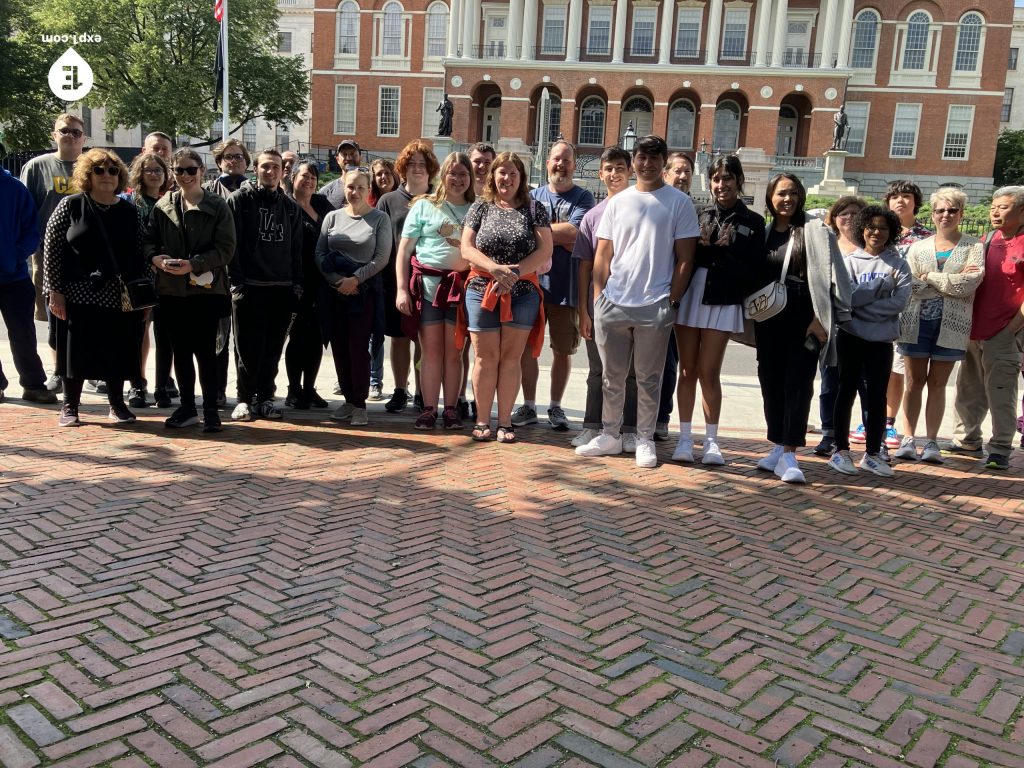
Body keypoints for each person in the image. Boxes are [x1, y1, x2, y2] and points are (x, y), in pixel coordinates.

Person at [575, 135, 698, 468]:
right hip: (613, 302)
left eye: (654, 157)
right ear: (635, 161)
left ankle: (644, 438)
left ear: (662, 162)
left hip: (654, 303)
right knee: (611, 376)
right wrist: (599, 299)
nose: (647, 163)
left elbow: (685, 259)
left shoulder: (678, 203)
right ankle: (610, 435)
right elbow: (603, 254)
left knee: (648, 378)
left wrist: (670, 301)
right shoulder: (618, 202)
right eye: (642, 157)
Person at [754, 174, 852, 484]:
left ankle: (790, 452)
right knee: (770, 381)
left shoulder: (816, 231)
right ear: (770, 197)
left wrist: (822, 319)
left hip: (805, 316)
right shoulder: (766, 232)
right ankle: (778, 445)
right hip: (770, 318)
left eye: (793, 193)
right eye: (781, 193)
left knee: (798, 383)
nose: (787, 199)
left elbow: (836, 276)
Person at [43, 149, 149, 427]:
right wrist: (55, 291)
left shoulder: (130, 211)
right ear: (87, 175)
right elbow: (52, 250)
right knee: (74, 352)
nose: (106, 176)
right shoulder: (70, 205)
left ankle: (117, 404)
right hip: (77, 293)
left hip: (117, 294)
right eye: (99, 170)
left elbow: (139, 254)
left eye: (113, 171)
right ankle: (70, 406)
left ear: (120, 176)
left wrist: (143, 295)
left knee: (116, 349)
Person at [673, 154, 765, 466]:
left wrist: (727, 252)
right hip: (691, 296)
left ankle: (711, 441)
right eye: (716, 178)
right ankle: (684, 438)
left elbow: (755, 273)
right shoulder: (698, 212)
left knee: (709, 372)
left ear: (739, 181)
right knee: (687, 370)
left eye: (727, 178)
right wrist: (702, 246)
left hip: (724, 299)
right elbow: (682, 256)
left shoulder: (753, 222)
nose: (721, 184)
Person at [460, 152, 552, 443]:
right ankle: (483, 419)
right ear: (493, 175)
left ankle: (505, 422)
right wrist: (494, 269)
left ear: (521, 178)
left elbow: (545, 250)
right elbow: (466, 247)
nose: (507, 179)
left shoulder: (534, 208)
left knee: (511, 359)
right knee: (485, 358)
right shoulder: (480, 206)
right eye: (502, 172)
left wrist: (512, 275)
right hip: (481, 290)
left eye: (513, 174)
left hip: (522, 293)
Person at [144, 148, 236, 432]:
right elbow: (149, 241)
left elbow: (226, 249)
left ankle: (210, 410)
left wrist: (193, 264)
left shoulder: (218, 206)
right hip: (172, 292)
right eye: (179, 170)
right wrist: (155, 258)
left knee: (207, 354)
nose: (184, 175)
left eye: (190, 170)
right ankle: (186, 407)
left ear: (201, 171)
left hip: (207, 292)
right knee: (180, 353)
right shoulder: (164, 206)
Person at [894, 188, 984, 464]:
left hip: (953, 325)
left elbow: (970, 283)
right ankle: (908, 438)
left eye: (952, 210)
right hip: (915, 322)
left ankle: (931, 441)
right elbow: (911, 284)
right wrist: (948, 282)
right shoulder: (917, 247)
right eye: (940, 210)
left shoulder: (973, 247)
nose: (946, 215)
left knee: (937, 383)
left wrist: (931, 277)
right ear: (932, 214)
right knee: (913, 383)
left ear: (961, 214)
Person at [512, 141, 595, 431]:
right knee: (526, 349)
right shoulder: (531, 196)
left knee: (563, 350)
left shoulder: (584, 198)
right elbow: (520, 232)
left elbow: (577, 232)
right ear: (547, 162)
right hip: (531, 286)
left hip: (567, 287)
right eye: (556, 159)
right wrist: (555, 235)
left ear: (574, 164)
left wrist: (539, 233)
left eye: (567, 160)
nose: (561, 165)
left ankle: (556, 407)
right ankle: (529, 405)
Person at [828, 205, 912, 478]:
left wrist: (863, 307)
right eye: (871, 227)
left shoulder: (899, 265)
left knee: (877, 396)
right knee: (845, 391)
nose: (876, 232)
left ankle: (873, 454)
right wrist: (878, 289)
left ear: (892, 232)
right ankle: (840, 450)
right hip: (850, 337)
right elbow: (845, 300)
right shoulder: (849, 262)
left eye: (883, 228)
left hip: (881, 341)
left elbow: (899, 303)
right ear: (862, 229)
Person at [396, 152, 474, 430]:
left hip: (461, 290)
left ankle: (451, 408)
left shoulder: (477, 208)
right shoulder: (423, 206)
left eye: (463, 174)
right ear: (443, 175)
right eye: (452, 173)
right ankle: (429, 408)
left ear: (470, 178)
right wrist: (402, 289)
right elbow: (404, 251)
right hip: (427, 289)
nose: (457, 179)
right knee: (430, 352)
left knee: (455, 353)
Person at [226, 148, 303, 421]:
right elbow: (230, 245)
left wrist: (296, 285)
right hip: (249, 286)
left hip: (281, 287)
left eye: (276, 167)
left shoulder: (291, 208)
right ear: (255, 169)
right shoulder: (239, 201)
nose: (270, 172)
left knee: (272, 349)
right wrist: (236, 283)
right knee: (246, 348)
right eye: (265, 167)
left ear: (283, 172)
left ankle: (267, 397)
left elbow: (297, 250)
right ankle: (244, 399)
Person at [951, 186, 1024, 470]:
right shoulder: (987, 239)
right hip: (971, 330)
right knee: (968, 389)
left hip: (1003, 332)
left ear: (1021, 211)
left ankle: (1000, 448)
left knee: (1001, 391)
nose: (995, 212)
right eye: (993, 206)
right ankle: (967, 441)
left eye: (1003, 207)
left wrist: (1011, 330)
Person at [573, 147, 638, 451]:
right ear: (600, 174)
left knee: (633, 373)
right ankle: (591, 425)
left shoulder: (642, 210)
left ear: (631, 171)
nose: (615, 174)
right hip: (599, 305)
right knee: (598, 370)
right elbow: (584, 266)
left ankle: (629, 429)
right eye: (609, 168)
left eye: (620, 168)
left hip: (635, 303)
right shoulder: (592, 217)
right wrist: (583, 310)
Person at [316, 168, 391, 426]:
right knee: (338, 347)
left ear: (368, 189)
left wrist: (355, 279)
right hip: (334, 292)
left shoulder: (380, 219)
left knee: (358, 348)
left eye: (360, 187)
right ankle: (348, 400)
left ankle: (360, 403)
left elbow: (381, 258)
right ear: (343, 188)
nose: (355, 192)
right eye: (350, 187)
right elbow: (320, 253)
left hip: (364, 293)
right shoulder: (332, 218)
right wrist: (337, 281)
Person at [866, 181, 932, 458]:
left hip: (912, 312)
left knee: (901, 370)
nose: (900, 201)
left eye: (906, 196)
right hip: (877, 312)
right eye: (895, 196)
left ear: (916, 202)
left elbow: (925, 278)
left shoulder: (927, 238)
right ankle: (877, 419)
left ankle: (891, 423)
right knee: (879, 370)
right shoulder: (881, 234)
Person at [20, 113, 86, 393]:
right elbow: (26, 212)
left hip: (86, 256)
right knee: (54, 315)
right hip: (48, 256)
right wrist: (31, 250)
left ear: (83, 137)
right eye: (64, 131)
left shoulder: (94, 166)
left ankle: (87, 368)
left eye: (75, 131)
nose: (69, 135)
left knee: (87, 314)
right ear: (54, 134)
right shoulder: (37, 167)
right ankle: (59, 370)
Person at [377, 141, 439, 413]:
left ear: (431, 169)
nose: (417, 169)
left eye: (422, 164)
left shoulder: (440, 199)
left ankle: (423, 390)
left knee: (425, 339)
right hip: (396, 280)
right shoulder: (388, 200)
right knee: (399, 337)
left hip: (428, 281)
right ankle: (400, 389)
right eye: (411, 164)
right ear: (402, 168)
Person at [813, 195, 868, 457]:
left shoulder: (873, 248)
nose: (848, 218)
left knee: (864, 385)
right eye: (843, 213)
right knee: (830, 384)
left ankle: (874, 438)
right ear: (834, 218)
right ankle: (829, 434)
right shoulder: (826, 246)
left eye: (855, 213)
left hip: (865, 327)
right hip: (832, 326)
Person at [0, 167, 56, 404]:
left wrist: (14, 256)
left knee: (23, 334)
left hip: (14, 278)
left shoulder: (14, 188)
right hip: (13, 273)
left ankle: (33, 384)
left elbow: (32, 231)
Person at [123, 152, 173, 409]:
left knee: (166, 334)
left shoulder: (171, 202)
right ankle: (136, 384)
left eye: (159, 170)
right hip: (140, 277)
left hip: (167, 277)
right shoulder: (131, 202)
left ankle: (162, 385)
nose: (154, 174)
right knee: (138, 332)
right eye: (149, 170)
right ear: (140, 173)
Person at [205, 138, 252, 408]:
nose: (233, 160)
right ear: (219, 161)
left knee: (244, 340)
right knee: (218, 338)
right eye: (228, 156)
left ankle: (244, 391)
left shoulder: (253, 190)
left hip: (246, 275)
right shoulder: (210, 191)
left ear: (246, 162)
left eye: (238, 156)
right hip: (217, 277)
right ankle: (218, 389)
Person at [284, 161, 334, 410]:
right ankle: (293, 389)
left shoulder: (322, 204)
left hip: (321, 282)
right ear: (293, 178)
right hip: (295, 283)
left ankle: (309, 388)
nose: (309, 181)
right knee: (297, 338)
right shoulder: (286, 206)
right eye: (304, 176)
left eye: (313, 177)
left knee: (316, 337)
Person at [655, 152, 695, 439]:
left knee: (670, 361)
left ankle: (661, 418)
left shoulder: (693, 208)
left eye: (687, 172)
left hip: (679, 298)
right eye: (677, 171)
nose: (682, 176)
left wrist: (674, 298)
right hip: (648, 294)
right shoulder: (655, 203)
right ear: (665, 173)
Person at [319, 140, 362, 209]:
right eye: (344, 154)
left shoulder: (372, 188)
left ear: (360, 158)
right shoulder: (326, 192)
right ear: (337, 160)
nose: (349, 158)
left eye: (352, 154)